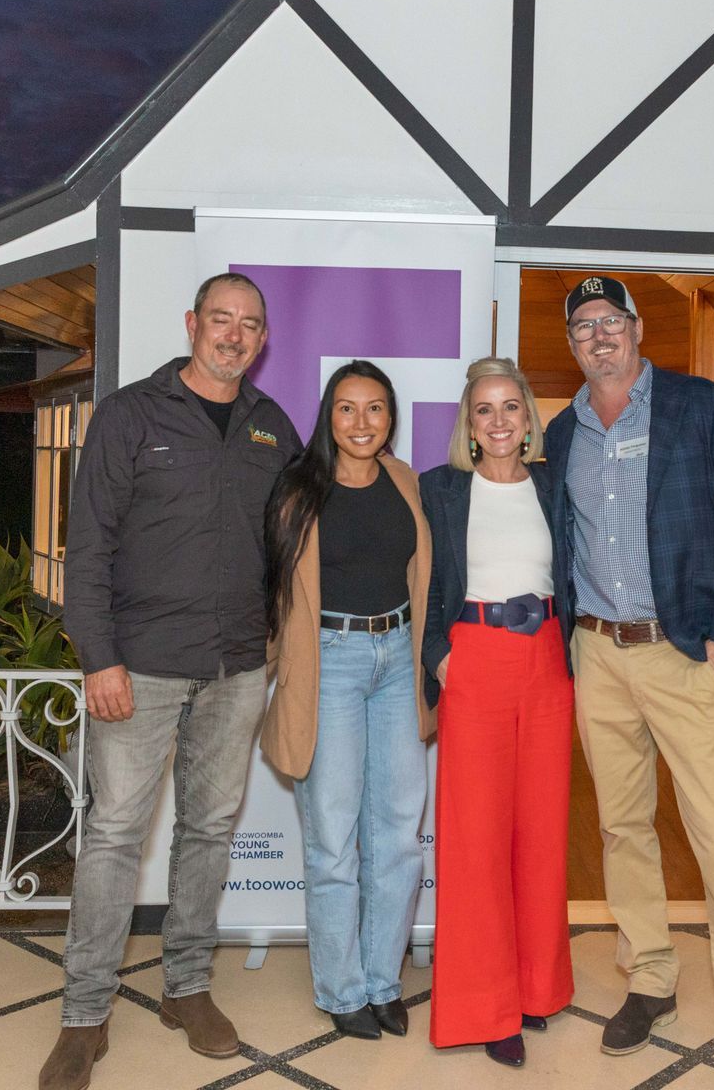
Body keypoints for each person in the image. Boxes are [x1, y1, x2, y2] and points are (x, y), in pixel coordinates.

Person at [42, 272, 301, 1090]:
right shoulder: (130, 414)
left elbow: (303, 541)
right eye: (220, 319)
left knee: (210, 830)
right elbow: (87, 550)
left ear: (263, 340)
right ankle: (84, 1016)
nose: (233, 334)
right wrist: (98, 657)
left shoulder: (273, 427)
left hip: (236, 666)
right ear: (193, 323)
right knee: (116, 834)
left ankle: (186, 987)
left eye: (248, 325)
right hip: (139, 666)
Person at [542, 275, 714, 1090]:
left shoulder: (702, 408)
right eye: (584, 328)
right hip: (598, 654)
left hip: (684, 653)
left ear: (639, 329)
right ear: (573, 343)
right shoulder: (563, 431)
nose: (599, 337)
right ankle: (651, 978)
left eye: (611, 322)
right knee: (623, 827)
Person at [262, 360, 435, 1039]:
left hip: (396, 660)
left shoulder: (405, 480)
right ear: (328, 416)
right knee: (334, 840)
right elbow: (274, 593)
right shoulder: (298, 490)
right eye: (347, 408)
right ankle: (341, 990)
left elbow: (422, 575)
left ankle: (382, 979)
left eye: (375, 409)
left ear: (391, 418)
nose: (361, 423)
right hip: (327, 664)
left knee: (397, 837)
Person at [420, 358, 574, 1067]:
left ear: (529, 418)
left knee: (541, 833)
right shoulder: (440, 490)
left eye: (512, 405)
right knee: (475, 840)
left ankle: (537, 988)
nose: (500, 420)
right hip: (475, 660)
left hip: (545, 661)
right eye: (485, 409)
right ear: (468, 424)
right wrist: (437, 655)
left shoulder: (553, 482)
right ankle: (487, 1005)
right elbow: (416, 579)